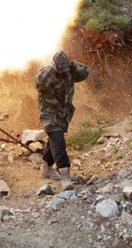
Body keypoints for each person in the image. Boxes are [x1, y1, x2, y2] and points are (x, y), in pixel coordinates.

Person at [35, 50, 89, 190]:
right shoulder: (47, 73)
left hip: (63, 114)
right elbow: (39, 82)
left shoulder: (69, 71)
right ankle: (65, 176)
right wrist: (53, 68)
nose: (63, 71)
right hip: (49, 114)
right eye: (61, 68)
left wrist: (71, 64)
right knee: (58, 141)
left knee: (54, 140)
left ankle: (46, 168)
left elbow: (84, 73)